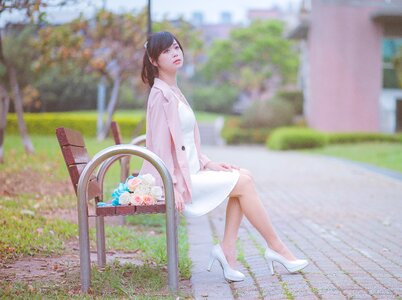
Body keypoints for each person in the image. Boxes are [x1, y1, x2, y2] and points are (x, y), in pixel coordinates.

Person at [139, 31, 308, 282]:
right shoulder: (160, 96)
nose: (175, 53)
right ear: (153, 61)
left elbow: (185, 143)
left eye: (176, 48)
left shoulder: (174, 92)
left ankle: (227, 250)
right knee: (244, 183)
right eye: (166, 51)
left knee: (243, 177)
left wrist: (210, 163)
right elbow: (159, 149)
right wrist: (171, 185)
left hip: (190, 173)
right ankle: (276, 248)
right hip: (178, 182)